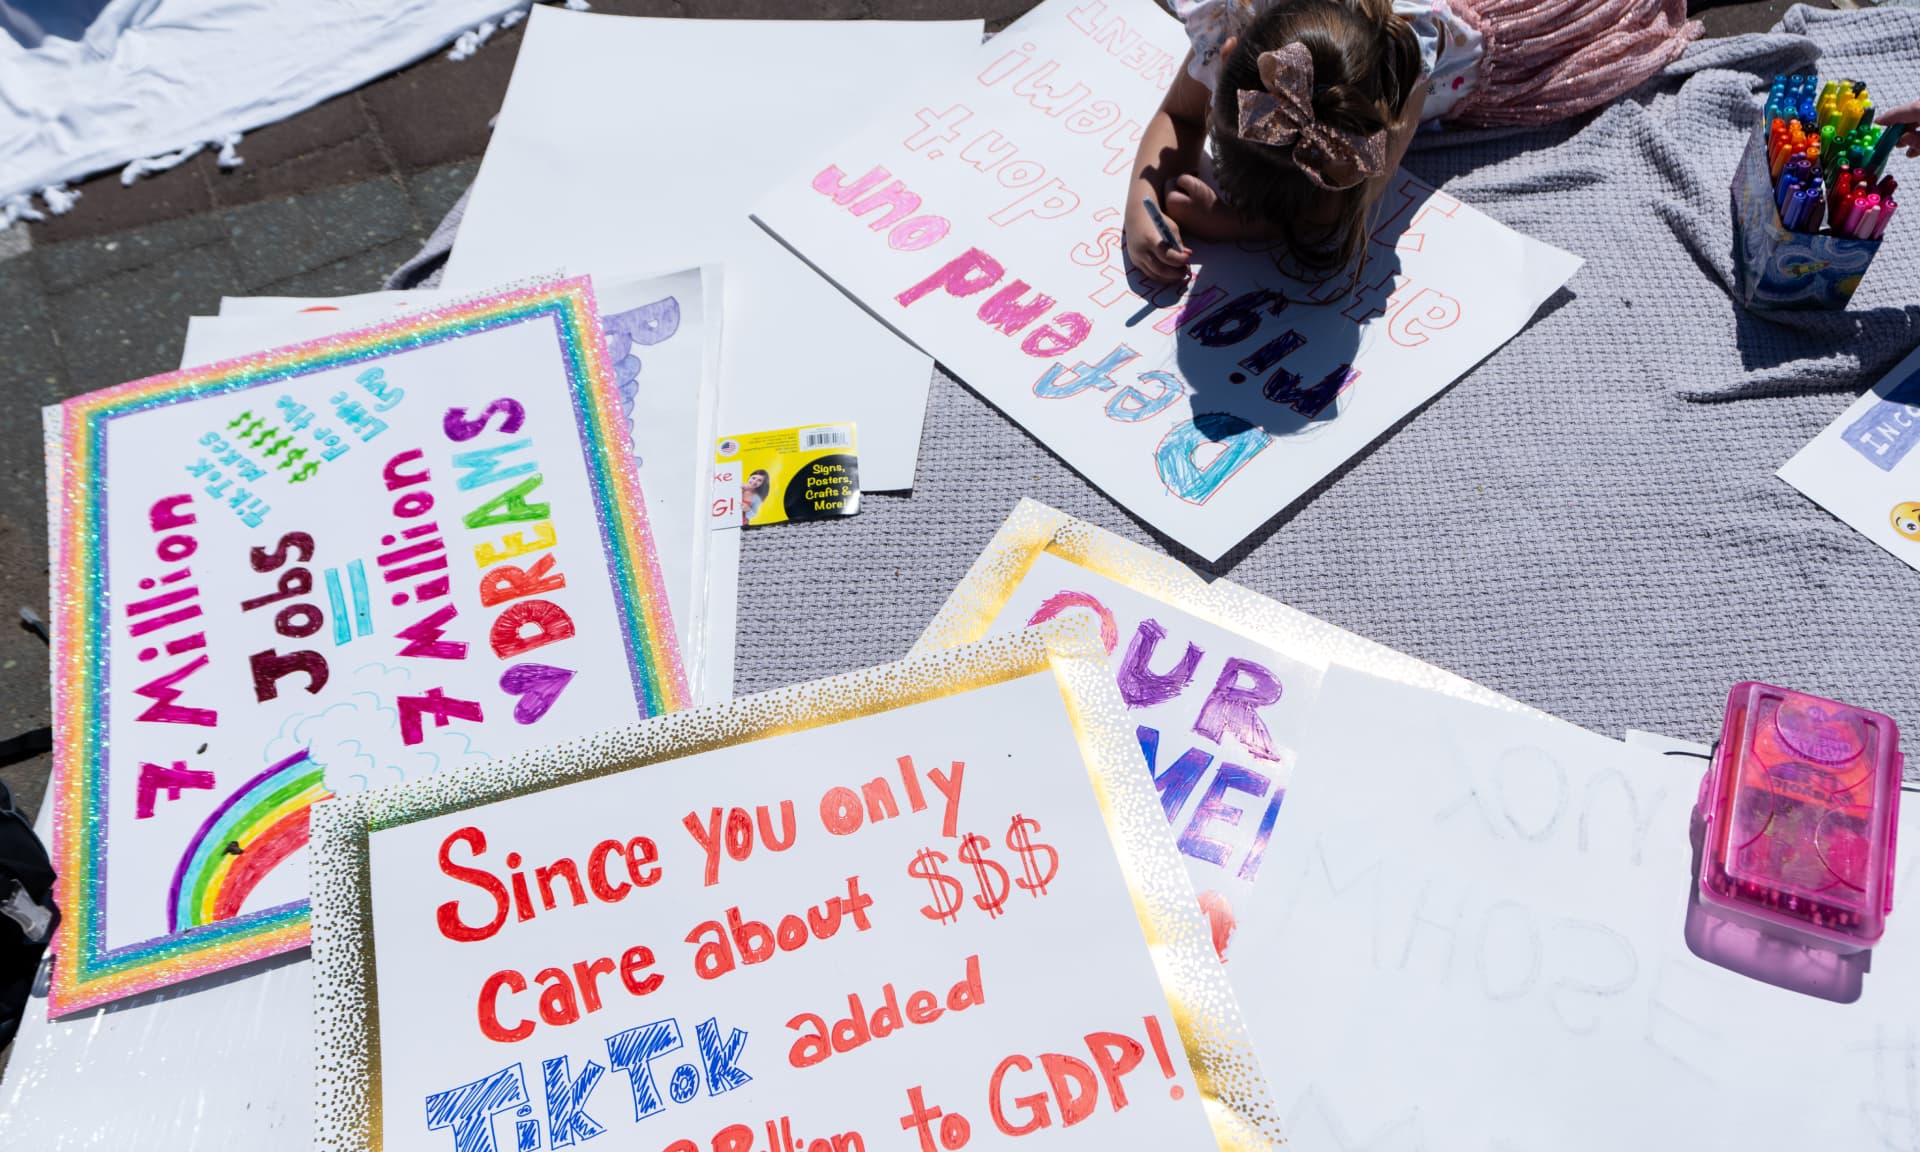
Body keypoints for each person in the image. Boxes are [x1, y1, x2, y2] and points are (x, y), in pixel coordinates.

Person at [1127, 0, 1701, 283]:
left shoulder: (1400, 73)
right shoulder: (1253, 37)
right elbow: (1179, 115)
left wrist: (1244, 223)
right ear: (1229, 55)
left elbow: (1337, 210)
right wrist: (1142, 201)